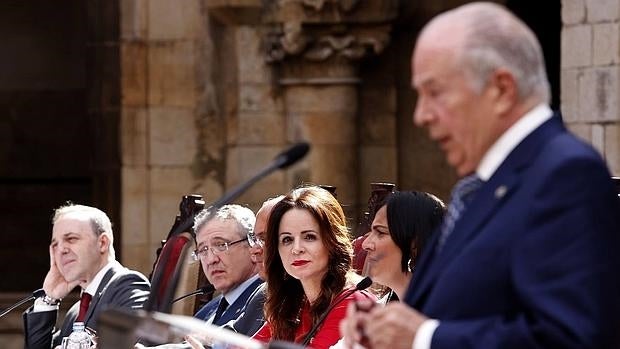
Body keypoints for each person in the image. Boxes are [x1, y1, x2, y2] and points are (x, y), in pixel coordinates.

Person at [342, 2, 620, 349]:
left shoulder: (565, 174)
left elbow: (573, 336)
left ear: (502, 89)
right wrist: (386, 330)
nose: (421, 115)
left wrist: (425, 338)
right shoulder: (480, 187)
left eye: (435, 92)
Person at [252, 186, 374, 349]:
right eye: (287, 239)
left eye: (309, 237)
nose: (297, 249)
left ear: (332, 242)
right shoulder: (293, 302)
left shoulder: (353, 302)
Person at [23, 203, 151, 349]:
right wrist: (49, 299)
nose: (61, 249)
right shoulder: (75, 311)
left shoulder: (127, 285)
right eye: (55, 244)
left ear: (102, 243)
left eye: (71, 239)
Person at [362, 191, 444, 302]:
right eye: (371, 232)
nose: (365, 244)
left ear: (414, 243)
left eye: (381, 232)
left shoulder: (446, 311)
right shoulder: (382, 309)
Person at [192, 204, 262, 326]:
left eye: (221, 245)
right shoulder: (204, 314)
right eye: (203, 250)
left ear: (253, 245)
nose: (211, 260)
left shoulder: (266, 303)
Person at [227, 195, 284, 336]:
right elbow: (227, 338)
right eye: (255, 239)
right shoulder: (264, 291)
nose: (254, 249)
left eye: (265, 239)